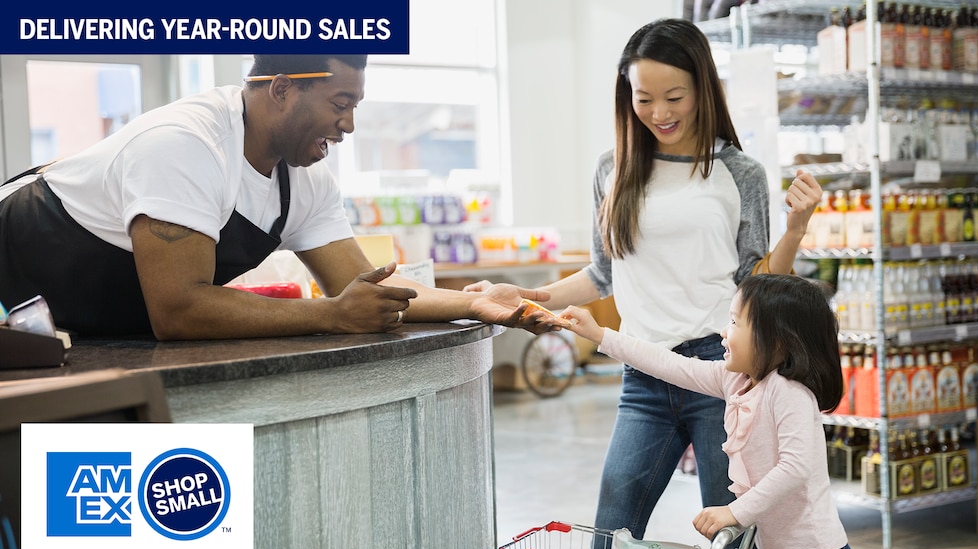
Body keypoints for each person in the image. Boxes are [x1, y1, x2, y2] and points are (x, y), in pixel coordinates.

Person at [465, 18, 822, 549]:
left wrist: (795, 230)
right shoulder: (614, 170)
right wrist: (529, 294)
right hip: (643, 373)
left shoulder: (738, 172)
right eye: (644, 98)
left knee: (732, 541)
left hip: (720, 372)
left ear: (703, 88)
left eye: (674, 96)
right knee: (610, 530)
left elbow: (757, 281)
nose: (659, 112)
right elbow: (603, 275)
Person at [0, 55, 559, 340]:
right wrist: (332, 317)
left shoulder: (304, 177)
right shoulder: (185, 146)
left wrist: (476, 303)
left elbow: (364, 284)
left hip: (73, 325)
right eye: (341, 103)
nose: (350, 126)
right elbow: (178, 309)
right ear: (283, 89)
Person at [561, 274, 856, 549]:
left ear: (778, 339)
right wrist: (600, 335)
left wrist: (734, 512)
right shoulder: (735, 380)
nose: (723, 332)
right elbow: (670, 364)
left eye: (735, 323)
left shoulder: (789, 393)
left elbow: (795, 468)